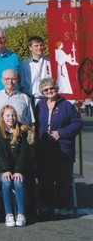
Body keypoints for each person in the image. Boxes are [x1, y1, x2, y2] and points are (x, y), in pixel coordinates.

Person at [35, 78, 83, 217]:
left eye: (51, 88)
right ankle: (46, 205)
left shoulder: (66, 105)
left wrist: (61, 133)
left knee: (63, 179)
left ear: (56, 88)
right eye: (46, 89)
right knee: (45, 178)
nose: (49, 91)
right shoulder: (40, 105)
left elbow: (77, 123)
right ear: (42, 92)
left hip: (63, 148)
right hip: (44, 148)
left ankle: (65, 206)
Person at [0, 106, 33, 228]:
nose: (11, 118)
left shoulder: (23, 131)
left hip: (20, 168)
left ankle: (21, 214)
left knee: (18, 182)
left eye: (13, 115)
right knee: (7, 182)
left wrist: (19, 170)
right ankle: (8, 214)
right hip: (2, 168)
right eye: (8, 115)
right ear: (2, 117)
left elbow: (24, 154)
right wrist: (6, 170)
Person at [19, 36, 52, 104]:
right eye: (36, 45)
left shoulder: (50, 62)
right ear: (30, 47)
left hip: (49, 98)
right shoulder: (24, 64)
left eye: (41, 45)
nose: (39, 47)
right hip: (31, 99)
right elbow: (22, 83)